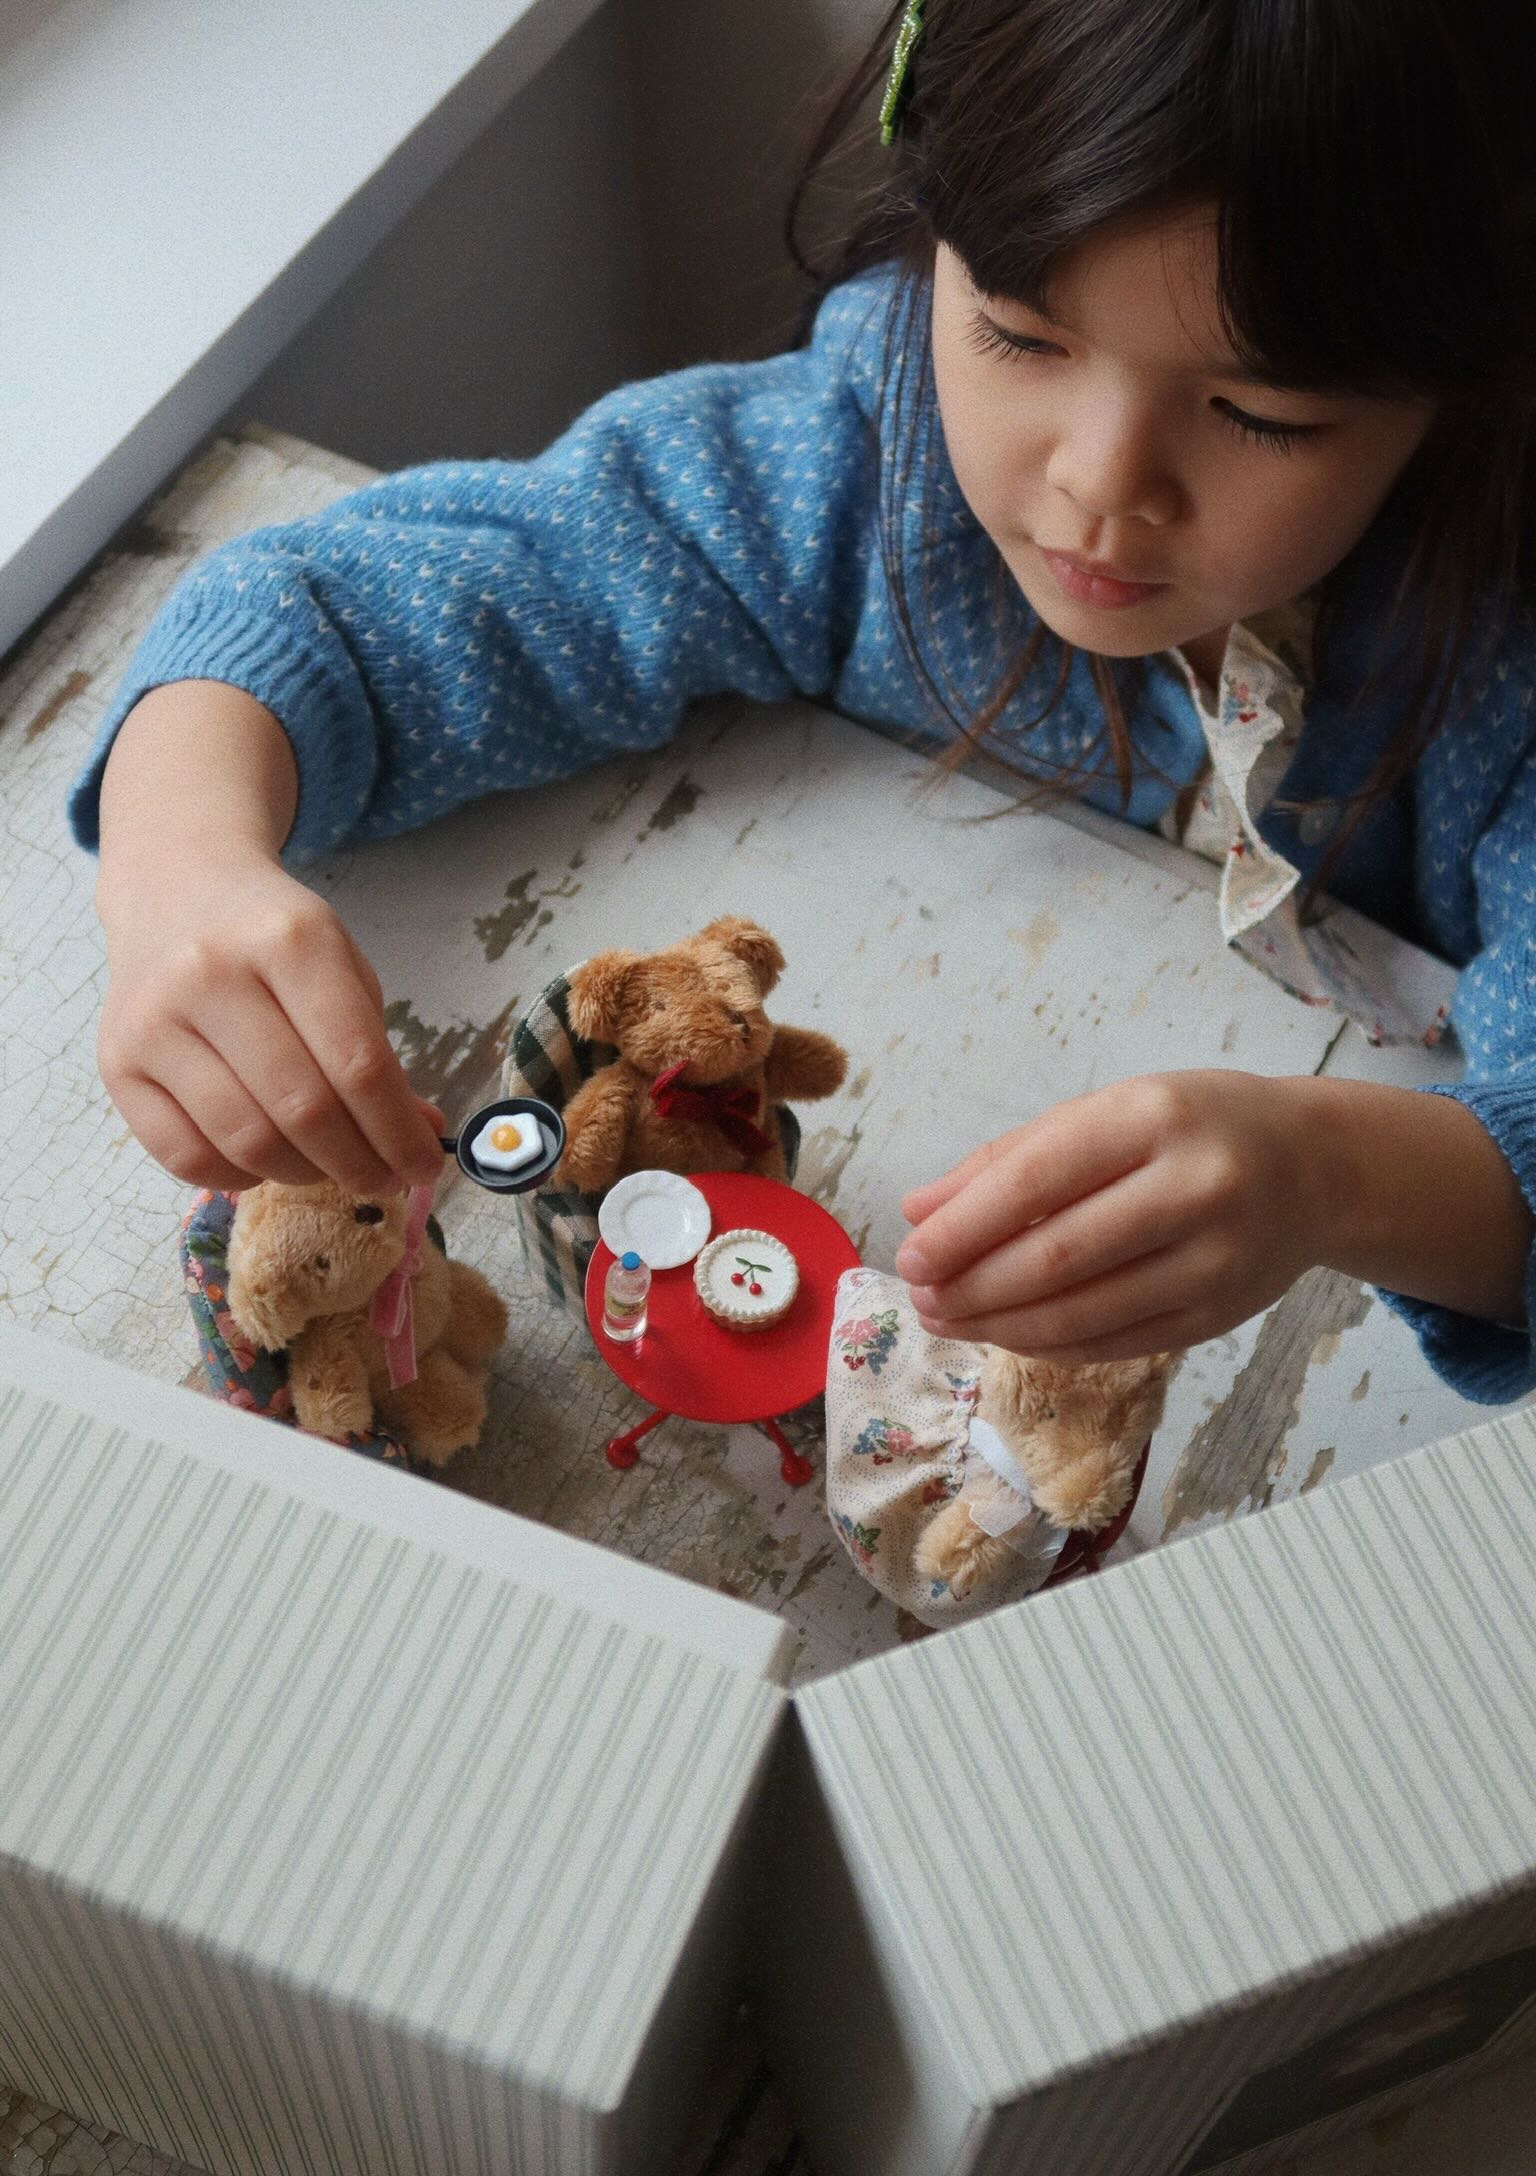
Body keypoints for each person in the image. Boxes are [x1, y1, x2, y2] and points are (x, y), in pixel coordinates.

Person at [71, 0, 1536, 1404]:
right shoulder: (856, 466)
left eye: (1261, 414)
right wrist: (179, 862)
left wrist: (1333, 1178)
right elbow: (326, 616)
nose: (1100, 482)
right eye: (1021, 334)